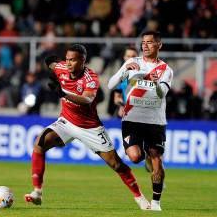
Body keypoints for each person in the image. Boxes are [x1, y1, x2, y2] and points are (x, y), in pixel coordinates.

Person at [24, 44, 149, 210]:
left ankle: (139, 197)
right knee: (40, 143)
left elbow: (87, 100)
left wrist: (63, 93)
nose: (68, 63)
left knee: (116, 164)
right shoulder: (62, 68)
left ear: (83, 61)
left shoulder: (90, 78)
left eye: (72, 60)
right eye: (67, 59)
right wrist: (50, 64)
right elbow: (51, 62)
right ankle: (37, 193)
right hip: (66, 122)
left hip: (90, 127)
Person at [108, 31, 174, 211]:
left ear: (159, 45)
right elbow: (110, 84)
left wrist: (154, 82)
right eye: (143, 42)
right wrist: (125, 74)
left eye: (150, 42)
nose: (145, 45)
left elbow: (162, 94)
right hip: (132, 118)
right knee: (135, 157)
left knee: (157, 160)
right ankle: (144, 156)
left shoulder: (166, 70)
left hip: (155, 121)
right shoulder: (133, 63)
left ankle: (156, 203)